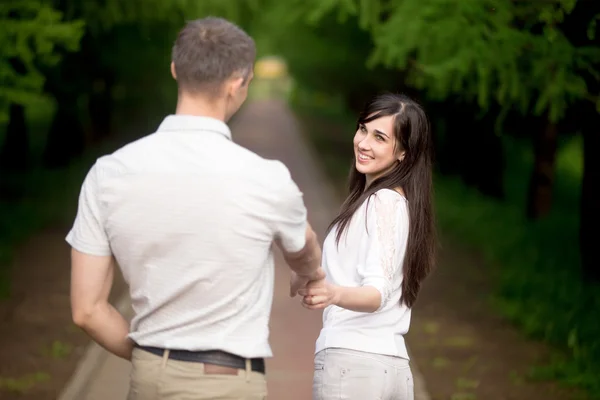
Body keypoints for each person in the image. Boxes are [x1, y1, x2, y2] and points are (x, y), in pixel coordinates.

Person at [66, 17, 324, 400]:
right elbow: (302, 244)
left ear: (175, 70)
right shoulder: (265, 178)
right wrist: (310, 272)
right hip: (225, 381)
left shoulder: (108, 173)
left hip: (147, 379)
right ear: (238, 83)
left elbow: (86, 311)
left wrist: (155, 360)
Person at [298, 93, 436, 400]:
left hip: (353, 365)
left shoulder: (383, 202)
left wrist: (333, 293)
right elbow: (356, 272)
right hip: (389, 365)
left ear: (403, 152)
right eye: (363, 129)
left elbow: (375, 294)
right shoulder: (393, 203)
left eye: (379, 137)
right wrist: (311, 275)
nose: (363, 143)